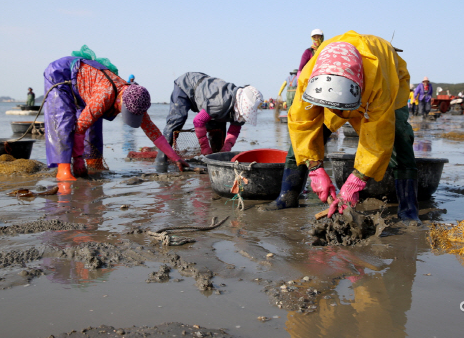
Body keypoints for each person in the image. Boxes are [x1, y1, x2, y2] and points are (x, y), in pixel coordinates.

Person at [266, 31, 420, 225]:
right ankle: (287, 196)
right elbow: (301, 125)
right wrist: (315, 169)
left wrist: (356, 181)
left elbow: (378, 137)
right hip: (335, 91)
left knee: (399, 139)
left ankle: (409, 210)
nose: (337, 114)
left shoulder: (381, 83)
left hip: (385, 85)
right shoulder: (309, 75)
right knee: (303, 142)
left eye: (340, 109)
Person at [43, 46, 188, 181]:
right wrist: (78, 158)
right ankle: (64, 170)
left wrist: (175, 157)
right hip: (63, 74)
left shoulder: (136, 97)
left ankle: (94, 164)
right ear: (121, 102)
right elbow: (80, 128)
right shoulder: (103, 97)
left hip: (88, 84)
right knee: (63, 121)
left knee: (94, 127)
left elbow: (153, 132)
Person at [154, 72, 263, 170]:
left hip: (207, 99)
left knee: (217, 129)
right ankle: (161, 160)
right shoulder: (220, 103)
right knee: (177, 121)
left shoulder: (239, 111)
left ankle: (213, 161)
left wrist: (226, 147)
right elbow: (198, 121)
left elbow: (235, 129)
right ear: (240, 104)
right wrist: (204, 147)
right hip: (186, 86)